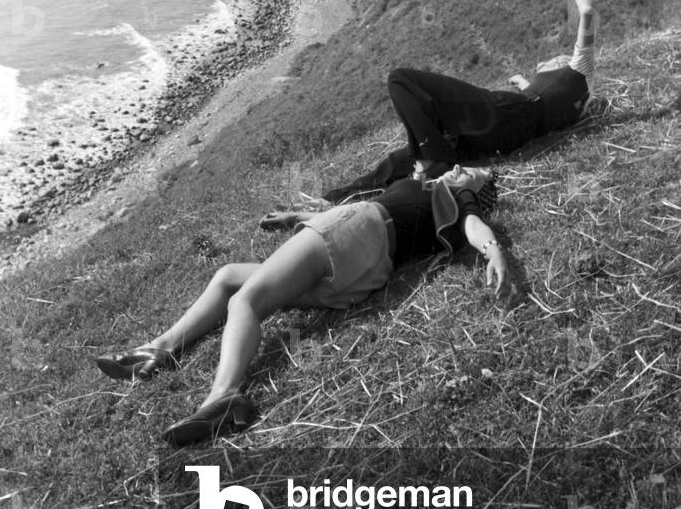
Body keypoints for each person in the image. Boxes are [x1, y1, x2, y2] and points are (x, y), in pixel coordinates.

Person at [95, 166, 504, 446]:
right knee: (229, 276)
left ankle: (224, 396)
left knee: (246, 301)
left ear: (477, 188)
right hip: (362, 268)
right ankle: (161, 349)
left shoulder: (456, 194)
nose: (459, 168)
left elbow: (472, 223)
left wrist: (493, 250)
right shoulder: (429, 189)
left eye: (471, 171)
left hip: (355, 231)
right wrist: (296, 215)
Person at [323, 0, 595, 202]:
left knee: (400, 80)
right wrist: (521, 80)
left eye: (549, 62)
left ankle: (433, 160)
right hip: (501, 139)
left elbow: (586, 12)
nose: (543, 64)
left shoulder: (578, 70)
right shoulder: (565, 97)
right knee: (401, 160)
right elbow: (537, 97)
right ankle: (336, 198)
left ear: (562, 63)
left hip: (502, 113)